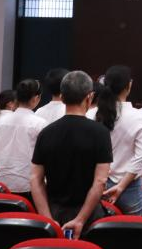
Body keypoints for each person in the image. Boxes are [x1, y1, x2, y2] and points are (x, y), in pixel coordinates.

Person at [30, 70, 112, 236]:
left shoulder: (46, 133)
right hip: (89, 216)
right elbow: (100, 181)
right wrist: (80, 220)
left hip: (54, 211)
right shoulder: (100, 133)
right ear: (89, 97)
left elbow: (35, 179)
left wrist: (47, 220)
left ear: (62, 97)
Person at [89, 65, 142, 215]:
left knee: (98, 226)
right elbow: (141, 156)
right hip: (130, 186)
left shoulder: (90, 114)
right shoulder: (138, 116)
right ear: (129, 85)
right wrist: (121, 186)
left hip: (96, 184)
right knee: (131, 227)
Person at [0, 78, 46, 197]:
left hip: (2, 184)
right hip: (28, 185)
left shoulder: (2, 121)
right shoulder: (40, 123)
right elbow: (44, 157)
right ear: (36, 99)